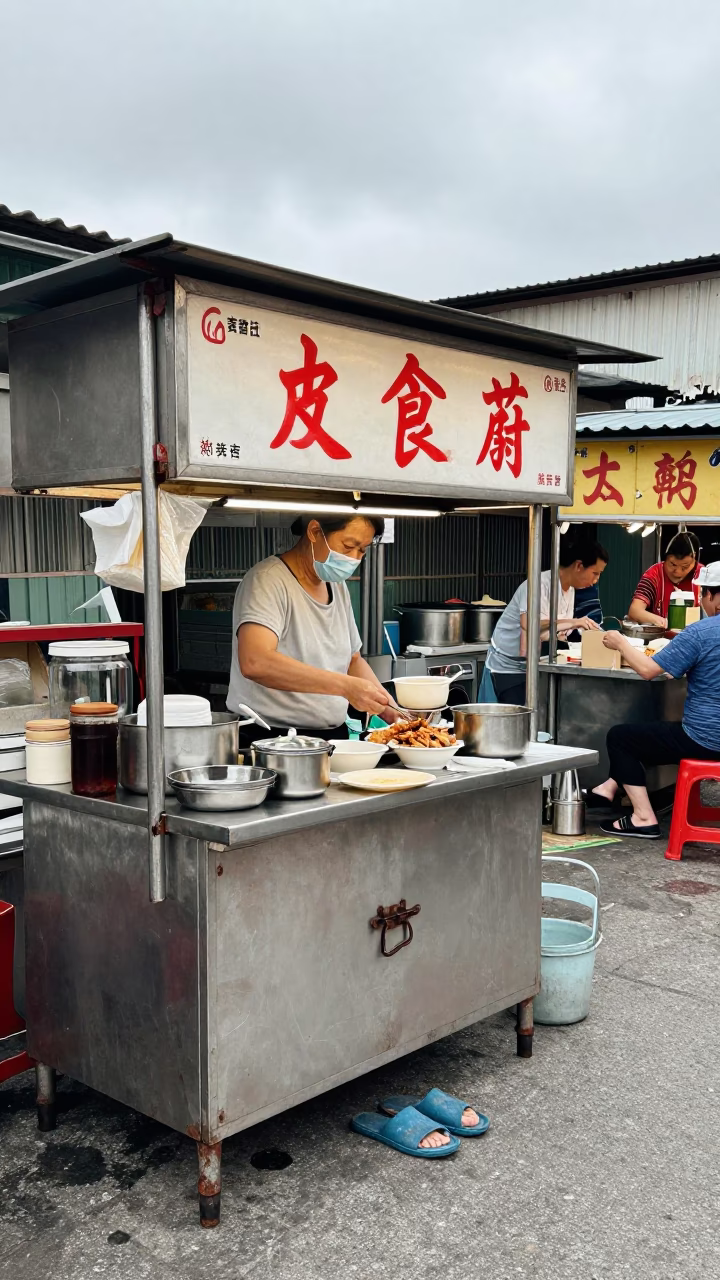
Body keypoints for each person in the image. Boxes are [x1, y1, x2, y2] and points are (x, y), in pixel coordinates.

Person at [227, 514, 394, 747]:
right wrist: (346, 687)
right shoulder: (267, 581)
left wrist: (391, 710)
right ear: (315, 532)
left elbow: (352, 660)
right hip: (273, 740)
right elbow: (256, 662)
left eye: (363, 550)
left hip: (332, 737)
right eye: (348, 546)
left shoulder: (336, 584)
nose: (355, 558)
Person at [591, 562, 720, 838]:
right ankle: (610, 785)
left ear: (711, 596)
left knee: (622, 738)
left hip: (706, 740)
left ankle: (642, 817)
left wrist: (621, 644)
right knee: (655, 732)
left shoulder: (701, 632)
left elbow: (649, 670)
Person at [484, 538, 609, 705]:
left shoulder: (570, 590)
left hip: (534, 664)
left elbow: (556, 630)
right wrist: (574, 622)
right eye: (595, 573)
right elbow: (528, 623)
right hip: (506, 667)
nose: (596, 580)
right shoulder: (539, 585)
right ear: (579, 566)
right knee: (519, 720)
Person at [628, 532, 703, 629]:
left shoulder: (703, 576)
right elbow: (635, 611)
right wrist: (664, 622)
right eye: (673, 564)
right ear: (665, 558)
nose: (678, 572)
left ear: (695, 562)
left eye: (685, 567)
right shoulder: (653, 575)